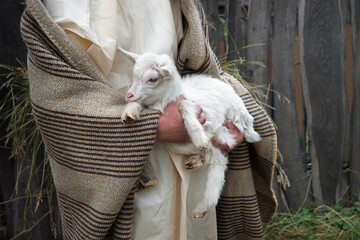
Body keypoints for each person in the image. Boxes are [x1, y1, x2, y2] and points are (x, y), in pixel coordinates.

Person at [21, 0, 278, 239]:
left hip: (194, 165)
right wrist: (150, 126)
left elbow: (199, 64)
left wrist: (229, 115)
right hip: (127, 175)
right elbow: (57, 97)